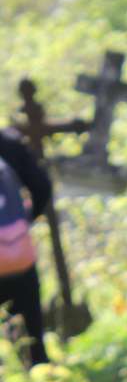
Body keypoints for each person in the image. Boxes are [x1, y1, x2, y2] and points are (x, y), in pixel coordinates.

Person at [0, 125, 52, 367]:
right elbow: (41, 186)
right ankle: (42, 381)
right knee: (32, 337)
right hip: (17, 254)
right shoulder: (8, 142)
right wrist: (22, 223)